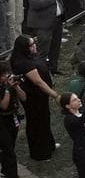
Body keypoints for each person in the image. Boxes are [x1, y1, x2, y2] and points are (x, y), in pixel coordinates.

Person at [11, 34, 57, 162]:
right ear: (24, 48)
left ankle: (49, 145)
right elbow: (38, 82)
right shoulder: (23, 63)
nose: (34, 46)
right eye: (31, 45)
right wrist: (54, 95)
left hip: (40, 96)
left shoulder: (29, 57)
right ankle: (40, 152)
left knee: (45, 119)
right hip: (33, 98)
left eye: (34, 43)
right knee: (37, 123)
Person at [25, 0, 66, 68]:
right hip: (43, 22)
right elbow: (35, 4)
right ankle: (41, 71)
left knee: (56, 46)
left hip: (57, 19)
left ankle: (53, 67)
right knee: (43, 49)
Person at [0, 60, 24, 178]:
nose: (7, 76)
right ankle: (12, 175)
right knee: (8, 149)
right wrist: (7, 89)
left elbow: (24, 98)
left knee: (10, 146)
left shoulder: (10, 84)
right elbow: (3, 106)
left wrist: (17, 87)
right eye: (4, 74)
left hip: (12, 117)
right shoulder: (3, 88)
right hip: (1, 121)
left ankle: (5, 169)